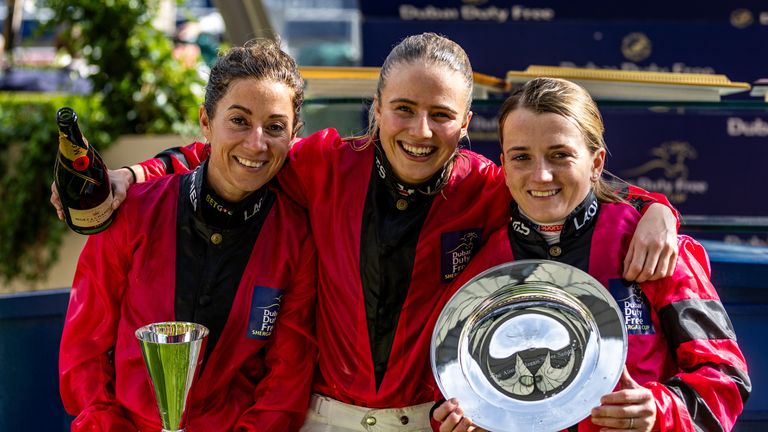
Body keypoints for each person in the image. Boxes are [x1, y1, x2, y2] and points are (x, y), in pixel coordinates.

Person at [53, 33, 680, 431]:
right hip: (319, 419)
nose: (420, 130)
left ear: (466, 124)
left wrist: (654, 204)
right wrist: (137, 175)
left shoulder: (489, 187)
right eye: (404, 109)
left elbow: (565, 179)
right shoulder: (322, 163)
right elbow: (239, 155)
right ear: (376, 110)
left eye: (441, 115)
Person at [432, 77, 751, 432]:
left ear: (596, 162)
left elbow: (727, 378)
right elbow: (446, 392)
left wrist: (659, 410)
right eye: (522, 157)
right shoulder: (482, 264)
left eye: (560, 155)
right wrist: (458, 421)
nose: (541, 175)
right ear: (503, 164)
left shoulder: (651, 246)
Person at [58, 39, 317, 432]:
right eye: (239, 120)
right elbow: (84, 351)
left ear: (294, 135)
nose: (256, 143)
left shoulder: (296, 238)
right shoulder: (134, 212)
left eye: (275, 127)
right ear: (205, 122)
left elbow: (286, 380)